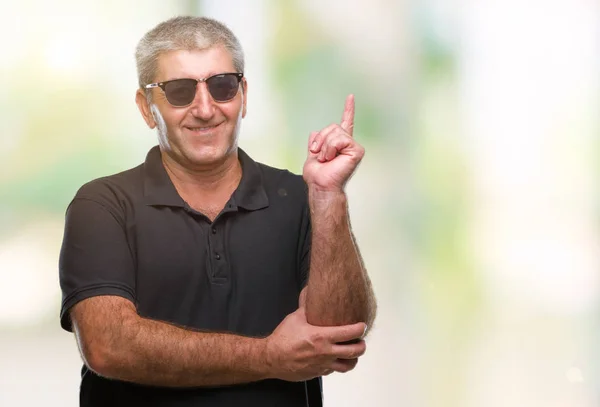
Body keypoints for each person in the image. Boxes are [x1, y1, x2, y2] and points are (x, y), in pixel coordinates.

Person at [58, 16, 377, 407]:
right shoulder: (103, 206)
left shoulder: (300, 196)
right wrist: (269, 356)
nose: (205, 109)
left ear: (243, 95)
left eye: (222, 86)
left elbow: (340, 336)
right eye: (179, 91)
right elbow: (109, 346)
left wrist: (328, 197)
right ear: (146, 107)